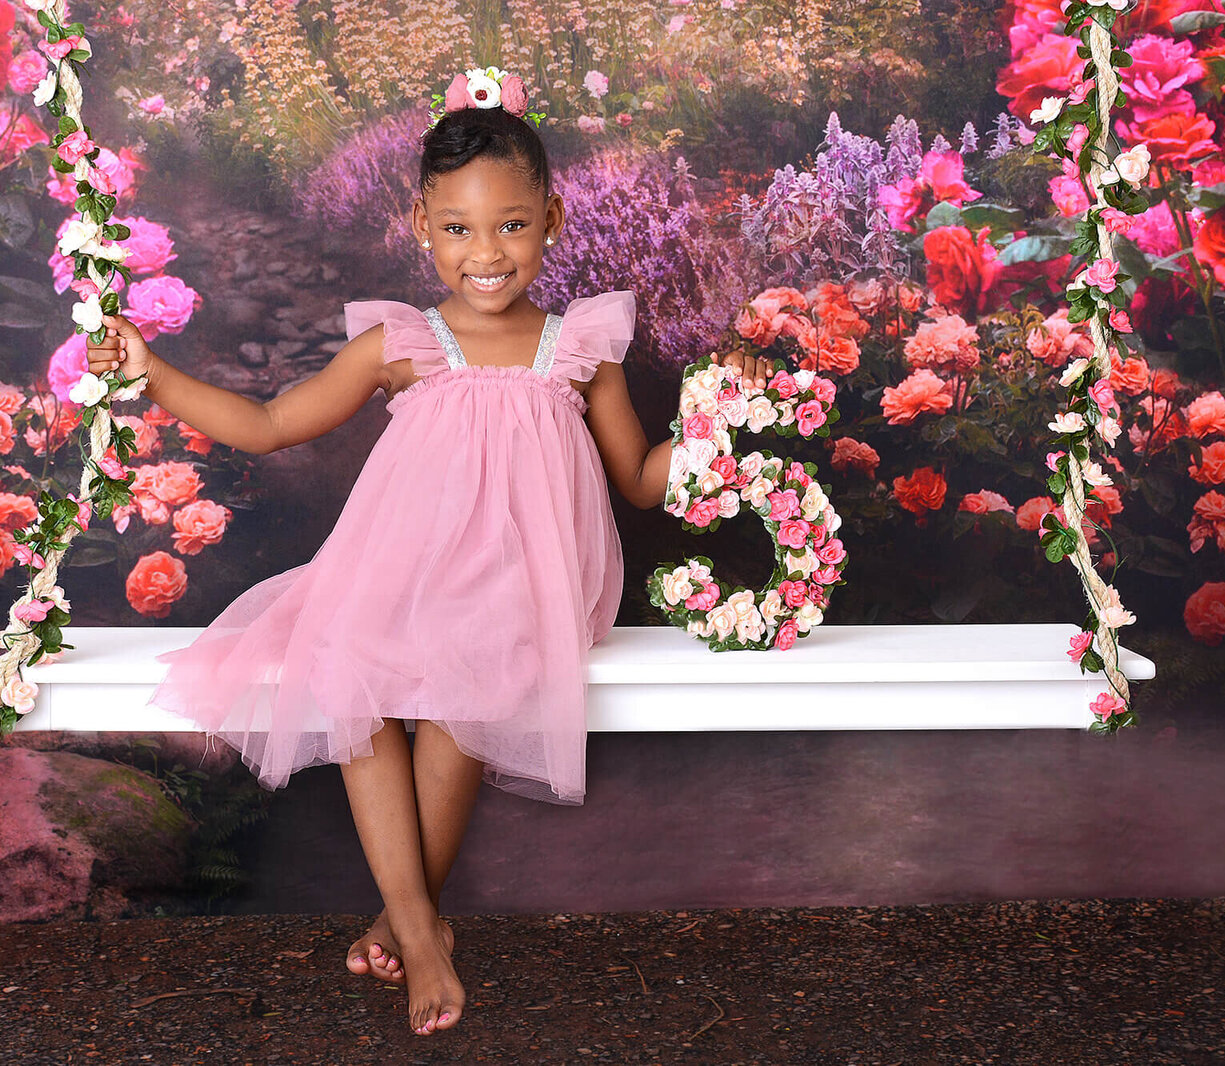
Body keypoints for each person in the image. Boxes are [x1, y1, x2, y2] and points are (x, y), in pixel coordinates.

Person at [85, 67, 771, 1037]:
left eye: (510, 226)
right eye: (457, 228)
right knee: (347, 673)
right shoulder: (402, 342)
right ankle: (416, 921)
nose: (484, 254)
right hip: (398, 574)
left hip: (525, 586)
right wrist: (152, 372)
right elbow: (273, 422)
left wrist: (721, 414)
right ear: (419, 222)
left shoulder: (580, 346)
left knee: (461, 694)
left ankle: (406, 919)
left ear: (553, 217)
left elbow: (641, 480)